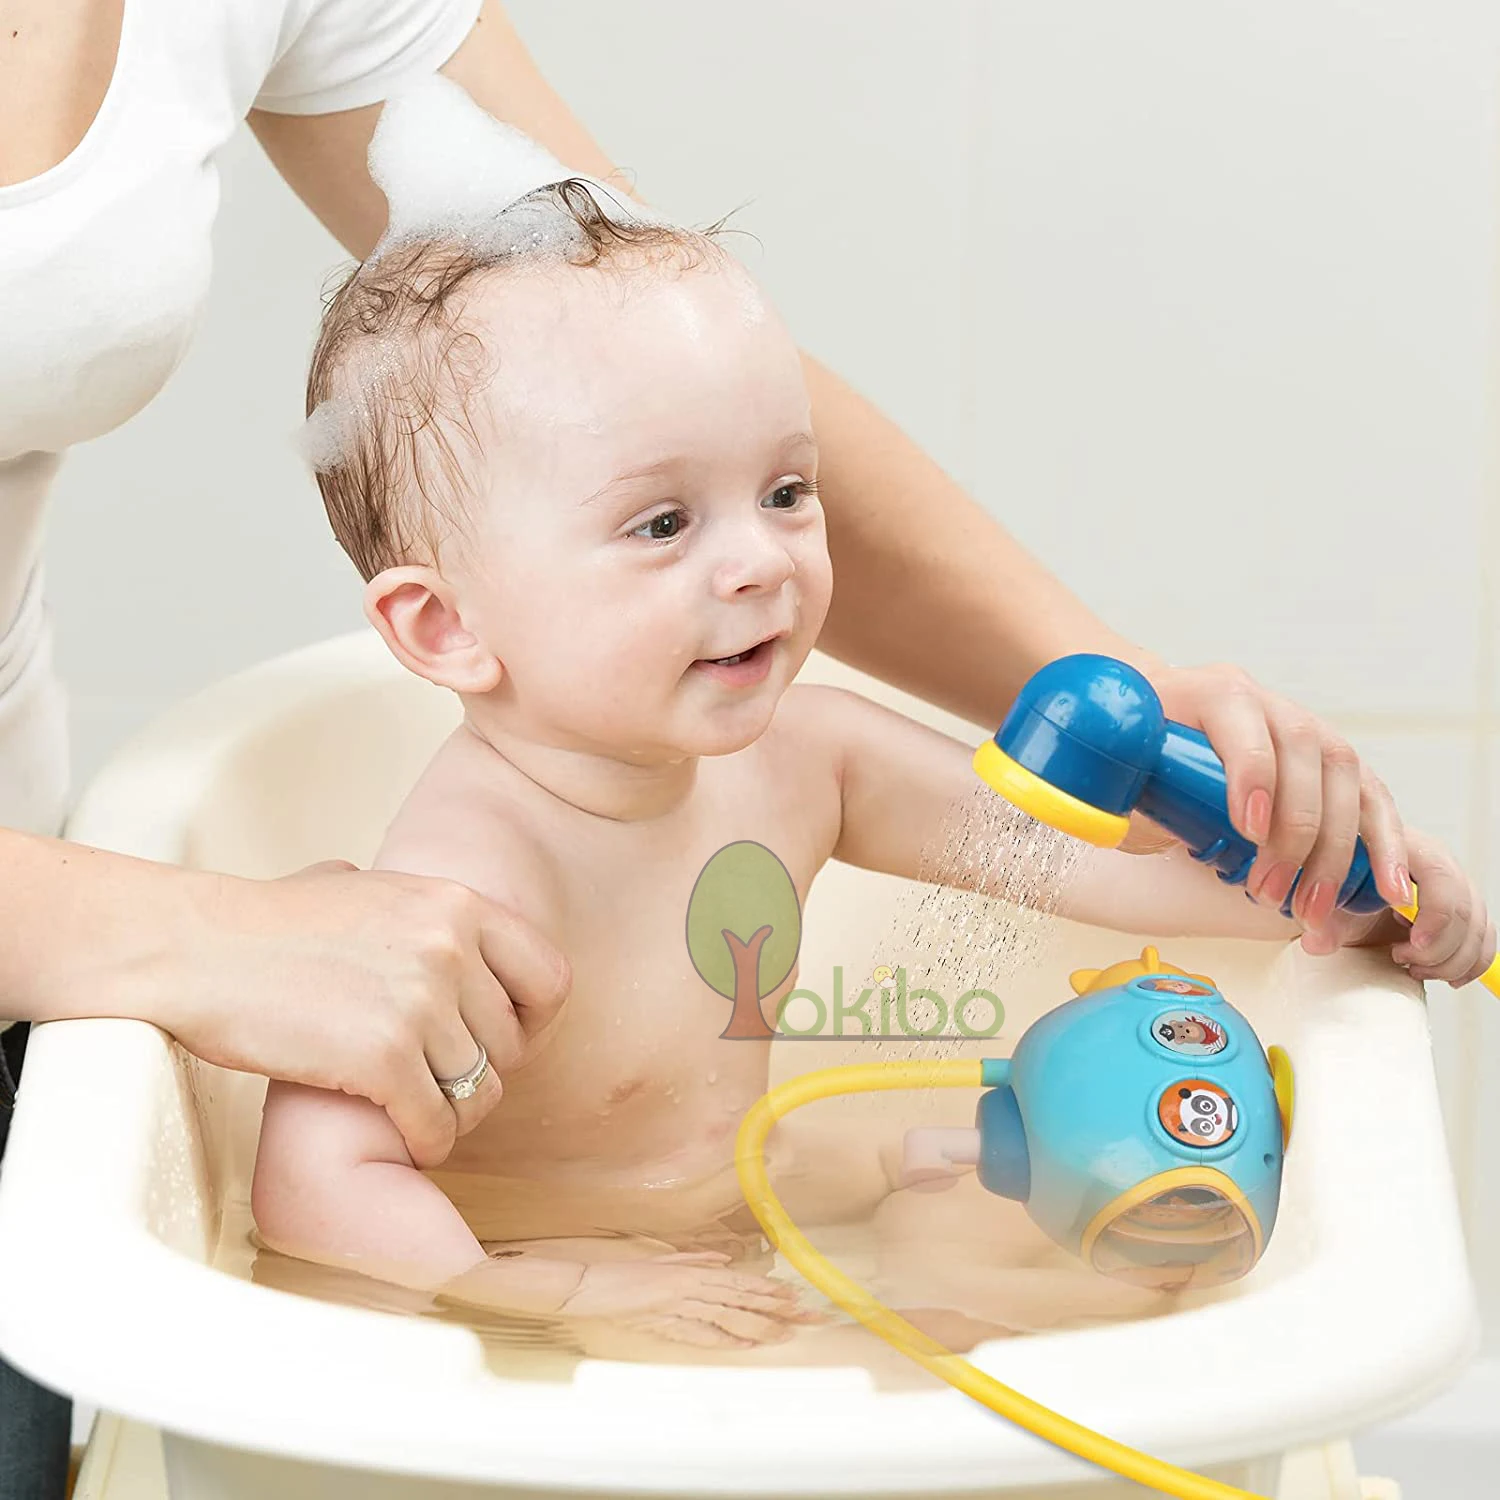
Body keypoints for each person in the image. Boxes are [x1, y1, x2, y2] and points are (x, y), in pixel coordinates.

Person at [0, 1, 1483, 1488]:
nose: (762, 561)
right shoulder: (468, 879)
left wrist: (1320, 890)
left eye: (785, 491)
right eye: (663, 522)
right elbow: (314, 1191)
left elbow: (1073, 870)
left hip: (741, 1218)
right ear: (445, 628)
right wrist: (544, 1292)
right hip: (515, 1330)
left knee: (1005, 1233)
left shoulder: (808, 757)